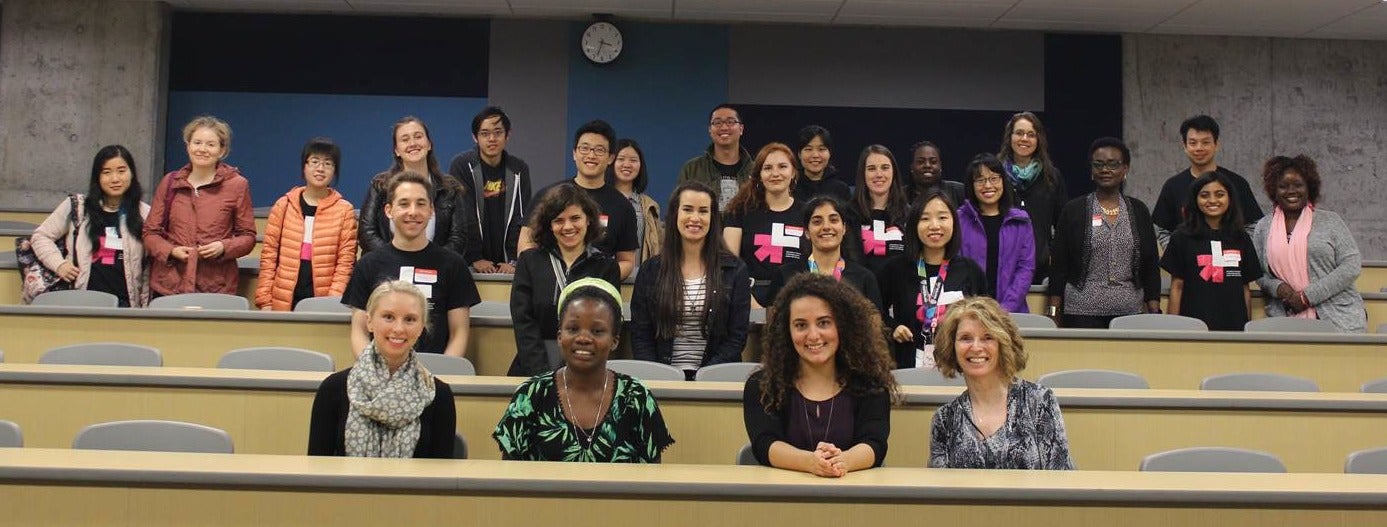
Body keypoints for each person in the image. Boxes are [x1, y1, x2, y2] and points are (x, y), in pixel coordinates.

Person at [494, 278, 675, 462]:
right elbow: (510, 476)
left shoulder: (637, 397)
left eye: (597, 331)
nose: (583, 338)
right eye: (573, 329)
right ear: (559, 336)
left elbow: (651, 479)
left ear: (615, 340)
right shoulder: (531, 395)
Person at [743, 274, 900, 477]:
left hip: (852, 499)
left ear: (842, 326)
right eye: (801, 325)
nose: (813, 335)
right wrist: (811, 463)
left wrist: (843, 462)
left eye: (824, 323)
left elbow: (874, 443)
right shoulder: (762, 385)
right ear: (786, 331)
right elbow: (765, 444)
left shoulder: (871, 384)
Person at [308, 280, 455, 458]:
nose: (398, 328)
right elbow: (318, 471)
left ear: (421, 328)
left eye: (410, 319)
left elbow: (439, 479)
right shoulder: (333, 389)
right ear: (369, 322)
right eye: (388, 317)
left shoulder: (439, 395)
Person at [343, 172, 481, 357]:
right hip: (381, 376)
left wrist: (442, 375)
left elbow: (459, 333)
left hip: (435, 374)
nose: (413, 211)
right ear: (388, 211)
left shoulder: (454, 265)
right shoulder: (368, 265)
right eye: (404, 204)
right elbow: (359, 331)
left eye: (421, 203)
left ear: (432, 210)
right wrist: (374, 371)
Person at [929, 296, 1074, 470]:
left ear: (1003, 343)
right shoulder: (945, 420)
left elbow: (1059, 479)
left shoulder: (1039, 401)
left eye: (987, 337)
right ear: (952, 347)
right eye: (965, 338)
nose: (976, 347)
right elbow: (941, 492)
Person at [630, 182, 751, 379]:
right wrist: (658, 376)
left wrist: (703, 376)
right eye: (687, 209)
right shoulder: (650, 271)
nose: (695, 218)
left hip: (715, 381)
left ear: (712, 218)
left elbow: (736, 338)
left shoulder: (735, 271)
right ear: (675, 214)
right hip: (661, 379)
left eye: (703, 211)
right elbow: (641, 335)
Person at [1045, 138, 1160, 328]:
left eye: (1113, 164)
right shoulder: (1073, 210)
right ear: (1091, 170)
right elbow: (1059, 266)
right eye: (1098, 164)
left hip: (1130, 313)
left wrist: (1154, 312)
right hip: (1081, 312)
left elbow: (1150, 265)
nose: (1105, 170)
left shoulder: (1139, 211)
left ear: (1125, 169)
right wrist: (1053, 313)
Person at [508, 184, 620, 377]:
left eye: (575, 218)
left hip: (586, 365)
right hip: (532, 366)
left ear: (589, 220)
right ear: (549, 226)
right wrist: (541, 375)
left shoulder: (606, 266)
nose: (568, 227)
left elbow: (608, 323)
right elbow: (523, 321)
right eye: (559, 220)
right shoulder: (530, 261)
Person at [143, 115, 256, 296]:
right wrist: (171, 251)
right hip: (170, 284)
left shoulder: (237, 185)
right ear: (188, 146)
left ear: (222, 150)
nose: (202, 149)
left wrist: (223, 247)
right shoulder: (170, 182)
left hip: (216, 286)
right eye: (197, 143)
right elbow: (150, 233)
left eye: (211, 144)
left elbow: (248, 237)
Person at [1252, 155, 1365, 333]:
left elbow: (1351, 266)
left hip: (1339, 318)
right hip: (1284, 318)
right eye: (1283, 186)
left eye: (1298, 185)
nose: (1291, 191)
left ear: (1309, 187)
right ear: (1274, 189)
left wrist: (1307, 297)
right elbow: (1259, 273)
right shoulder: (1263, 227)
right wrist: (1279, 288)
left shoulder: (1331, 221)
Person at [31, 145, 150, 307]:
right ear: (97, 177)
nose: (115, 179)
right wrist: (59, 264)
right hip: (82, 302)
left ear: (132, 174)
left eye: (121, 171)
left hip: (126, 306)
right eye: (106, 172)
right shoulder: (77, 207)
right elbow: (41, 236)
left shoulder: (145, 213)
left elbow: (149, 266)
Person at [878, 191, 986, 369]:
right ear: (914, 224)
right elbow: (874, 311)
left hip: (960, 368)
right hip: (907, 367)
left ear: (953, 222)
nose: (934, 225)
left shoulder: (970, 270)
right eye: (925, 218)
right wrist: (893, 327)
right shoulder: (896, 270)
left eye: (942, 217)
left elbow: (985, 321)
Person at [520, 120, 639, 280]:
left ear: (610, 158)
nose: (591, 155)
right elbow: (526, 244)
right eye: (584, 148)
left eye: (599, 150)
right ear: (574, 153)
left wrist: (601, 278)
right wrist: (546, 276)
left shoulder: (622, 206)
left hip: (597, 295)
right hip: (549, 289)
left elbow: (627, 260)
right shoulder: (548, 196)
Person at [255, 138, 358, 311]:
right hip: (284, 297)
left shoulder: (344, 210)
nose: (320, 168)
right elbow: (269, 256)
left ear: (335, 171)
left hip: (324, 297)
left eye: (328, 163)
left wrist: (332, 301)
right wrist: (265, 300)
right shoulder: (283, 205)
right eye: (314, 162)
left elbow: (345, 262)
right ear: (304, 166)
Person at [1162, 171, 1263, 331]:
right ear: (1195, 199)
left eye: (1220, 194)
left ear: (1230, 198)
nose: (1212, 200)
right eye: (1204, 195)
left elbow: (1244, 288)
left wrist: (1246, 330)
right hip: (1193, 326)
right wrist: (1175, 328)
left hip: (1234, 326)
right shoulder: (1181, 237)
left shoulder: (1241, 238)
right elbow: (1177, 286)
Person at [359, 116, 472, 258]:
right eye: (405, 139)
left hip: (435, 270)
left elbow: (458, 238)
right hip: (385, 268)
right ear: (396, 150)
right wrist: (393, 260)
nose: (412, 143)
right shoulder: (380, 185)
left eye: (418, 137)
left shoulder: (450, 188)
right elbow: (366, 232)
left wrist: (430, 262)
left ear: (429, 144)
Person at [1151, 115, 1264, 248]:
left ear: (1216, 145)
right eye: (1193, 143)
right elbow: (1161, 230)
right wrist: (1180, 254)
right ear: (1185, 146)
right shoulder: (1173, 186)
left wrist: (1237, 253)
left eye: (1206, 142)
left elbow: (1254, 227)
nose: (1199, 148)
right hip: (1188, 266)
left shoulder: (1237, 183)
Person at [449, 106, 532, 274]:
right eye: (485, 133)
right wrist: (474, 257)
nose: (492, 139)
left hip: (508, 264)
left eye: (498, 132)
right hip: (470, 263)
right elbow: (463, 214)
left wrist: (513, 260)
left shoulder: (518, 169)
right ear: (475, 137)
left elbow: (523, 217)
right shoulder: (462, 166)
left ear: (508, 135)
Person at [768, 196, 883, 314]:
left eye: (833, 220)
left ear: (843, 228)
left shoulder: (864, 278)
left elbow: (875, 327)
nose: (826, 227)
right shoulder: (785, 275)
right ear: (807, 232)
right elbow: (774, 326)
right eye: (817, 222)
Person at [724, 142, 806, 308]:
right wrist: (754, 307)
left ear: (793, 173)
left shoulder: (808, 213)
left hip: (798, 301)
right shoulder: (739, 212)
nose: (775, 173)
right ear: (759, 175)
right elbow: (728, 264)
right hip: (749, 299)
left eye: (783, 166)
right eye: (767, 168)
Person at [957, 153, 1035, 313]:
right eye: (980, 180)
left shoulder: (1021, 221)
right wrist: (972, 307)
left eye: (994, 178)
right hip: (968, 310)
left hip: (1011, 313)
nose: (987, 185)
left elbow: (1025, 269)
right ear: (971, 185)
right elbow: (955, 268)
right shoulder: (959, 219)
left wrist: (1005, 309)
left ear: (1003, 182)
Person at [998, 112, 1067, 285]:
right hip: (1001, 263)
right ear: (1010, 137)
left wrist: (1051, 254)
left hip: (1040, 267)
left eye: (1031, 134)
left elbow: (1062, 224)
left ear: (1039, 140)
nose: (1024, 139)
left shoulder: (1051, 176)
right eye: (1019, 133)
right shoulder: (995, 174)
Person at [678, 103, 755, 208]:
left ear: (741, 129)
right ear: (710, 129)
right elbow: (680, 207)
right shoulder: (692, 169)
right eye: (717, 122)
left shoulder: (755, 170)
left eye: (730, 122)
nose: (724, 127)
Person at [851, 145, 911, 276]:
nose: (879, 174)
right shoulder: (849, 214)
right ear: (863, 174)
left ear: (893, 172)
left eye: (885, 168)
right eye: (871, 169)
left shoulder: (909, 214)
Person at [607, 138, 662, 267]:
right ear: (611, 162)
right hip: (607, 279)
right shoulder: (602, 199)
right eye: (621, 159)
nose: (627, 164)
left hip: (640, 281)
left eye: (633, 160)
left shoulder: (650, 206)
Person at [791, 125, 851, 202]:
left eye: (821, 149)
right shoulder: (791, 188)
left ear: (830, 153)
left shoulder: (841, 189)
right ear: (799, 154)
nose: (815, 155)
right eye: (808, 149)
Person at [907, 141, 965, 207]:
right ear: (911, 167)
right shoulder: (900, 196)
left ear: (940, 166)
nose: (927, 165)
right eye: (920, 162)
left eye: (933, 162)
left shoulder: (958, 191)